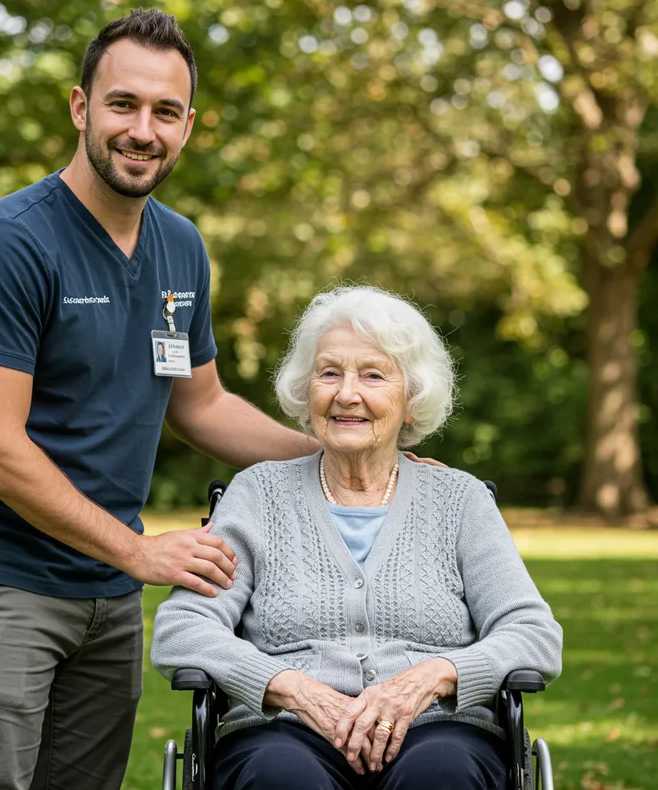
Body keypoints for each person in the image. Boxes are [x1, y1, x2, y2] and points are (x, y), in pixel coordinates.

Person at [0, 9, 331, 790]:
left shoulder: (180, 245)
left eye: (164, 112)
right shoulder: (7, 244)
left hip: (107, 593)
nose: (143, 130)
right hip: (3, 578)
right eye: (123, 105)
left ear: (188, 126)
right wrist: (140, 552)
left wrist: (340, 451)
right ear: (81, 108)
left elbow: (200, 405)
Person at [151, 286, 563, 790]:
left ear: (411, 398)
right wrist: (294, 690)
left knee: (442, 775)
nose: (347, 393)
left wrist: (428, 679)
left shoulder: (459, 500)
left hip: (438, 730)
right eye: (329, 373)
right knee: (281, 778)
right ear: (307, 392)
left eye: (373, 375)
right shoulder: (258, 494)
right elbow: (183, 628)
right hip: (284, 732)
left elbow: (533, 634)